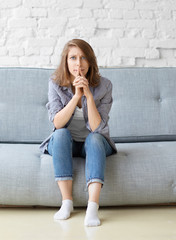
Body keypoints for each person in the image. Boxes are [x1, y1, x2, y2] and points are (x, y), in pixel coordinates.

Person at [40, 39, 117, 227]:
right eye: (73, 58)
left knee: (95, 138)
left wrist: (88, 96)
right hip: (67, 142)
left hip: (93, 142)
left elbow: (98, 127)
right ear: (66, 61)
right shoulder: (55, 84)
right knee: (60, 135)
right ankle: (67, 202)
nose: (78, 63)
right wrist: (76, 96)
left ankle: (92, 207)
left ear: (90, 62)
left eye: (83, 58)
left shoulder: (104, 86)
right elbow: (58, 123)